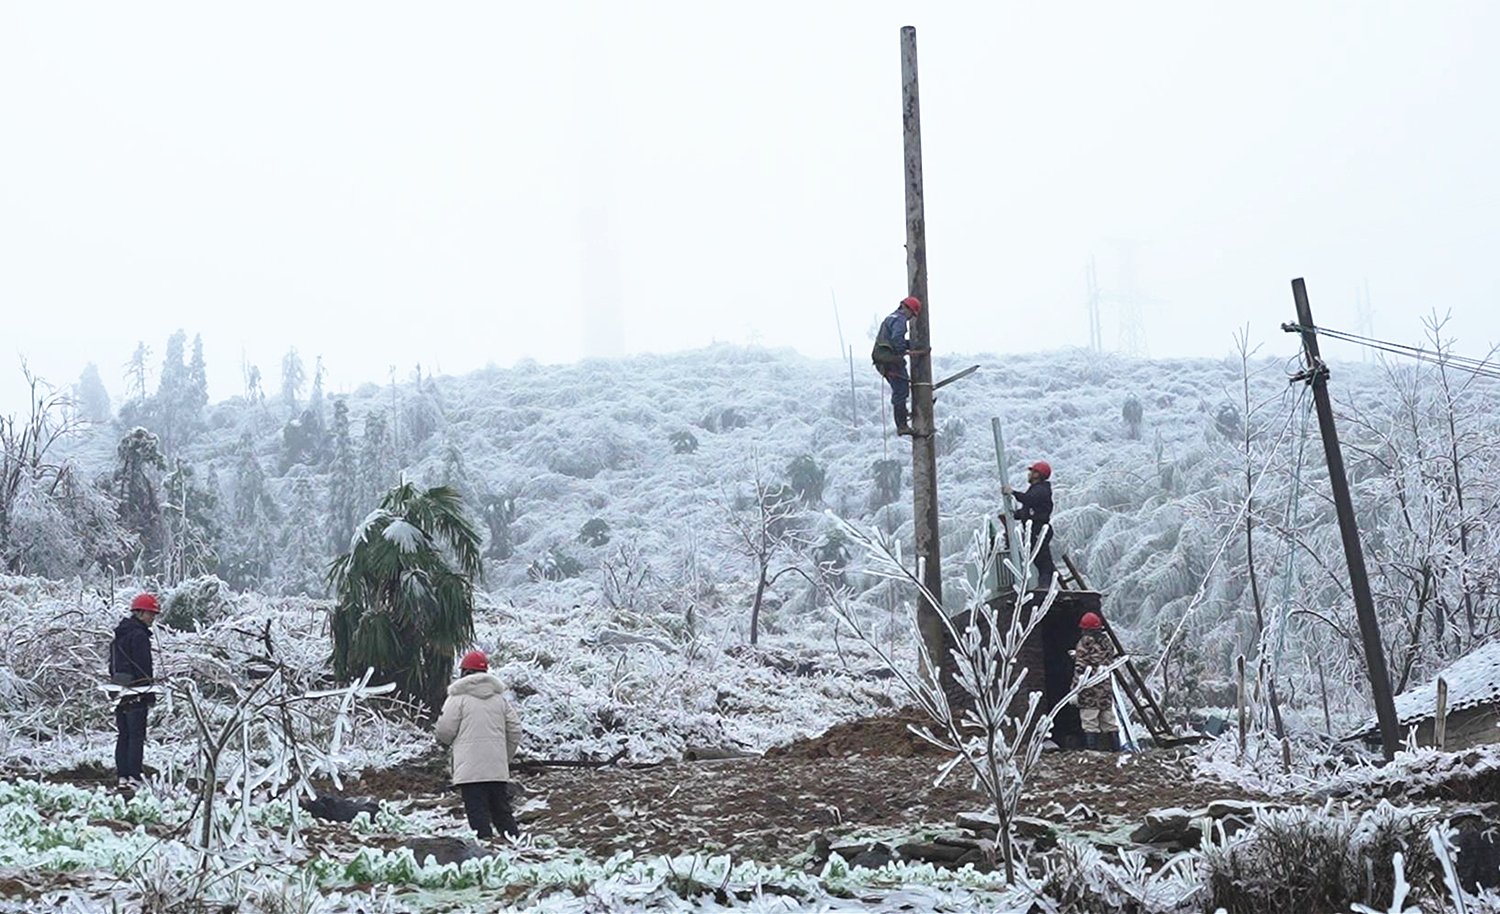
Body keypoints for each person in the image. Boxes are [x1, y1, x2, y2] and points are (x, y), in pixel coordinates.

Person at [435, 649, 523, 841]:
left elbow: (444, 731)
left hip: (469, 771)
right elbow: (515, 730)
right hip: (496, 768)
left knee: (477, 813)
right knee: (502, 811)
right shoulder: (500, 699)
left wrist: (449, 745)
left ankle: (486, 849)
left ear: (464, 672)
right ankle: (516, 844)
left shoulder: (457, 699)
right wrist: (504, 757)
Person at [109, 592, 161, 788]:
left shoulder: (119, 635)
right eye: (150, 614)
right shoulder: (139, 636)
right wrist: (148, 692)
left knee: (124, 734)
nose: (153, 618)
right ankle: (134, 777)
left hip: (119, 689)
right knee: (136, 735)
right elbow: (143, 667)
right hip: (137, 691)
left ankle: (122, 775)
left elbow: (112, 665)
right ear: (139, 613)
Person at [871, 296, 929, 436]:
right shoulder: (900, 319)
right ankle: (902, 425)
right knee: (901, 391)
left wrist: (913, 345)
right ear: (907, 309)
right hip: (889, 361)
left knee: (902, 389)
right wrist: (907, 351)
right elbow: (897, 340)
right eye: (912, 315)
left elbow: (895, 339)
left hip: (884, 360)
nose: (910, 319)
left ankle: (903, 415)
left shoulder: (891, 318)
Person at [1002, 460, 1055, 587]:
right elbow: (1028, 510)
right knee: (1039, 561)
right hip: (1035, 530)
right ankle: (1044, 586)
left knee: (1043, 562)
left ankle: (1045, 588)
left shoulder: (1042, 489)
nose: (1029, 474)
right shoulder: (1036, 490)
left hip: (1039, 530)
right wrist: (1014, 515)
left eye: (1032, 472)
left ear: (1037, 474)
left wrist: (1013, 493)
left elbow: (1029, 500)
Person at [1071, 612, 1118, 751]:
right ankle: (1116, 751)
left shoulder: (1085, 642)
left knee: (1089, 721)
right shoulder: (1107, 642)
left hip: (1089, 689)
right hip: (1105, 688)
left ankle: (1092, 752)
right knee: (1109, 721)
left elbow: (1081, 667)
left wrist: (1075, 689)